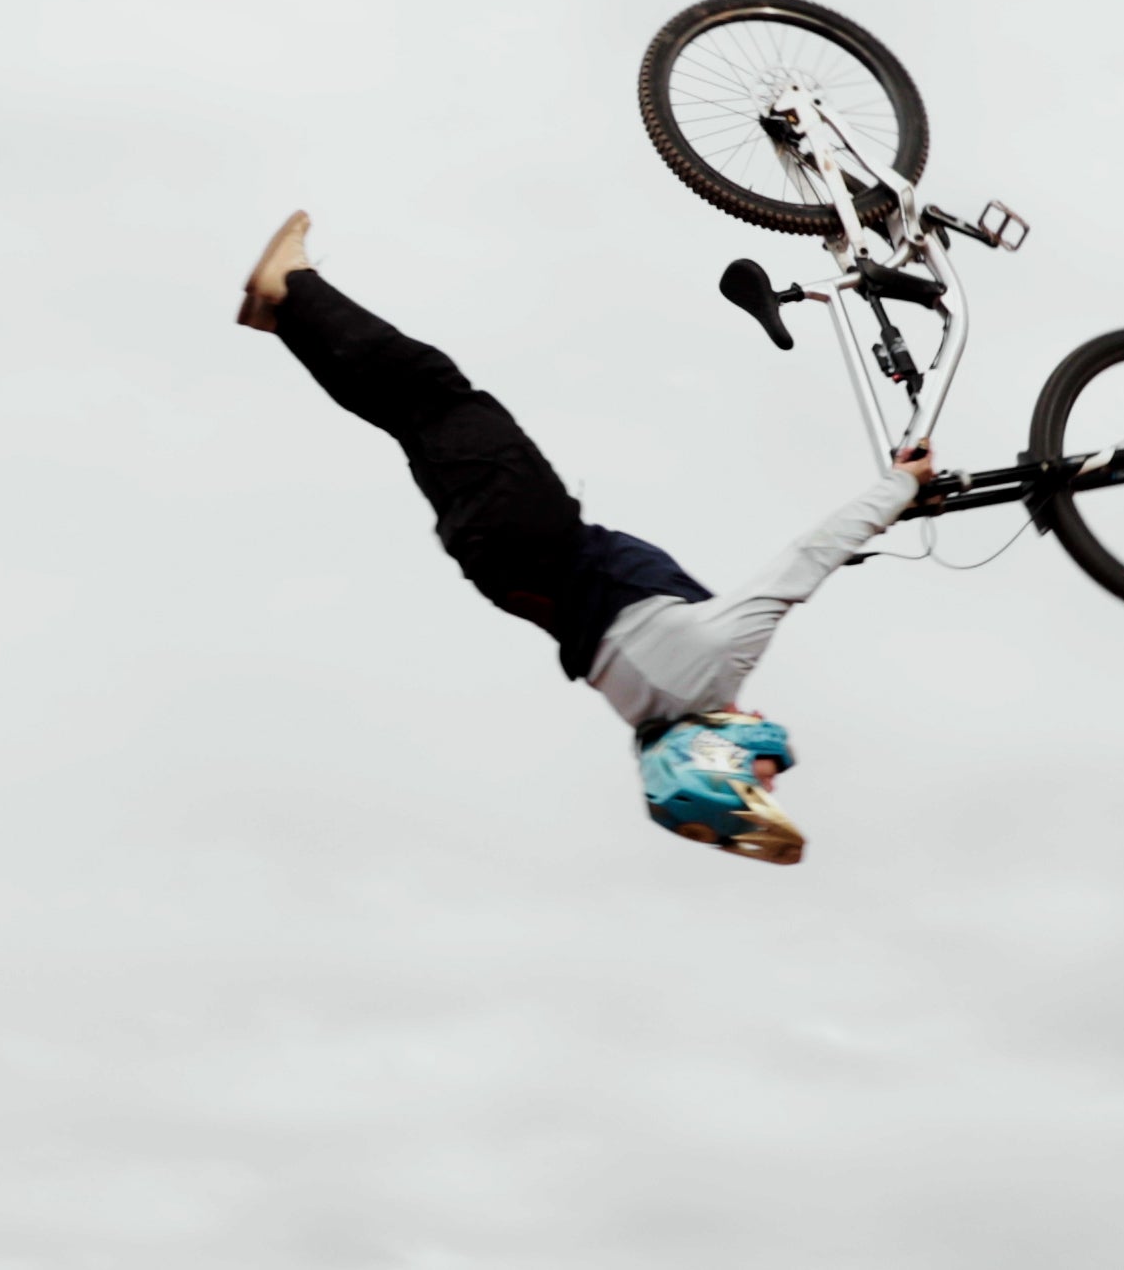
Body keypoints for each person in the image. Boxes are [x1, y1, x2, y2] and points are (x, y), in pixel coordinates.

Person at [236, 211, 927, 866]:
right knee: (409, 414)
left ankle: (291, 286)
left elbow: (810, 558)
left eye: (760, 778)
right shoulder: (649, 710)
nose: (771, 768)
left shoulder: (713, 665)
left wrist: (901, 486)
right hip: (502, 566)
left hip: (530, 529)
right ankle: (284, 312)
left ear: (715, 759)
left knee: (432, 391)